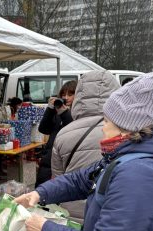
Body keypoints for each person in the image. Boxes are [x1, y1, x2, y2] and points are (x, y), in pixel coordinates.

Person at [15, 72, 153, 231]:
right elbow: (81, 180)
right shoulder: (127, 155)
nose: (102, 128)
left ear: (128, 128)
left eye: (107, 122)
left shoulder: (138, 174)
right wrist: (40, 193)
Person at [50, 70, 120, 223]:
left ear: (79, 95)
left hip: (71, 215)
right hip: (111, 214)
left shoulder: (63, 134)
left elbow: (57, 180)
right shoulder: (126, 131)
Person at [35, 80, 76, 187]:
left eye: (70, 94)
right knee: (41, 193)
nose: (66, 97)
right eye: (63, 94)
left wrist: (64, 113)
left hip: (66, 162)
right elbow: (43, 129)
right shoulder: (57, 111)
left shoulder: (78, 113)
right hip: (49, 160)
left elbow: (72, 129)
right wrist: (50, 109)